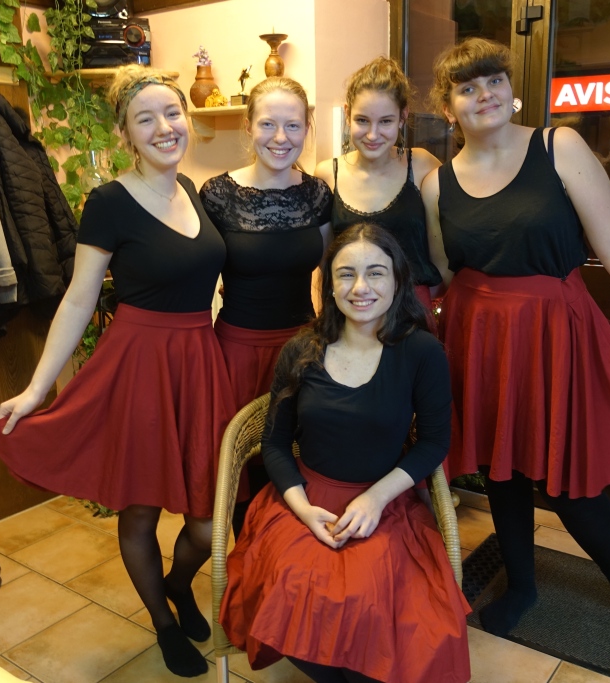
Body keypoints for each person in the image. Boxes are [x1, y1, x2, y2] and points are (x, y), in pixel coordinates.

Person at [422, 37, 610, 645]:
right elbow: (444, 273)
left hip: (554, 335)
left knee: (568, 477)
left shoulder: (558, 146)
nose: (485, 95)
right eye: (467, 87)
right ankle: (522, 586)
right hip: (479, 339)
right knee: (502, 471)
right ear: (448, 106)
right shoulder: (437, 185)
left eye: (493, 81)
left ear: (510, 89)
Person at [0, 65, 233, 678]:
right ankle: (164, 622)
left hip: (199, 362)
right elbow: (78, 298)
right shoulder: (109, 203)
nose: (164, 127)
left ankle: (177, 584)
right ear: (125, 134)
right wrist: (37, 387)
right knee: (141, 509)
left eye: (172, 113)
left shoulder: (191, 189)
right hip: (140, 366)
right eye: (146, 119)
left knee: (207, 522)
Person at [220, 224, 471, 683]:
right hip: (304, 503)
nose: (360, 288)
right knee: (300, 600)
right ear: (329, 285)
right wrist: (303, 509)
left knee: (385, 617)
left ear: (397, 279)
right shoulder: (301, 349)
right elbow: (274, 442)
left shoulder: (421, 352)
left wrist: (375, 498)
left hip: (386, 504)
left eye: (375, 272)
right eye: (346, 274)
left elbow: (435, 442)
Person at [199, 76, 332, 535]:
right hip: (237, 351)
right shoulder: (217, 194)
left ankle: (286, 560)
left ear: (307, 127)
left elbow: (329, 276)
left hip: (304, 349)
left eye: (293, 125)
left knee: (300, 462)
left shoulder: (318, 195)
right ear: (248, 126)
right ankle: (244, 563)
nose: (281, 137)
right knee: (242, 471)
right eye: (268, 124)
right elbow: (198, 277)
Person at [315, 57, 441, 329]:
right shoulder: (327, 173)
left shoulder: (423, 166)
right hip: (350, 314)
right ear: (347, 114)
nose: (373, 135)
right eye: (362, 120)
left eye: (385, 121)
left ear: (403, 117)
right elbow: (325, 262)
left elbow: (443, 257)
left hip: (411, 314)